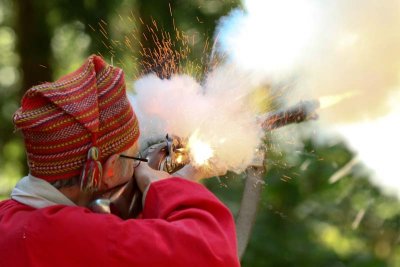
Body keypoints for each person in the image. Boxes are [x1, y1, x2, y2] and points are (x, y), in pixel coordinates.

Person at [0, 55, 240, 267]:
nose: (139, 165)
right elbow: (214, 252)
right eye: (134, 157)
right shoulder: (71, 235)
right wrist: (163, 186)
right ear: (110, 169)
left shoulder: (12, 220)